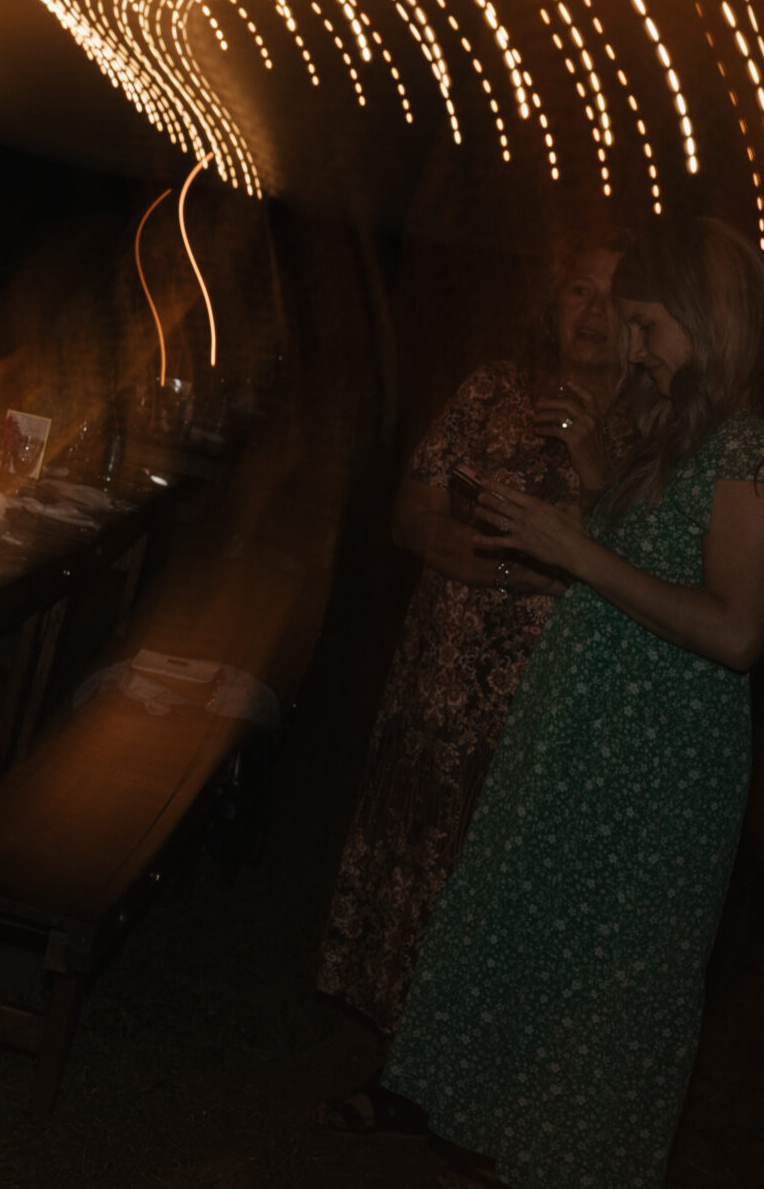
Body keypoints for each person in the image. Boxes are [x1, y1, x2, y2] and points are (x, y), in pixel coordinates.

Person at [377, 217, 764, 1189]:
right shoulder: (692, 430)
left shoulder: (757, 444)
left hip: (652, 769)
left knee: (598, 1005)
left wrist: (575, 548)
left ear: (706, 319)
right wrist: (573, 500)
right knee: (542, 978)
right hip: (588, 742)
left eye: (646, 328)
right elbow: (642, 558)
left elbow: (737, 630)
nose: (637, 354)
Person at [314, 232, 629, 1067]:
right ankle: (399, 1071)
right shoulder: (493, 388)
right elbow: (406, 514)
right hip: (440, 680)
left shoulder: (649, 430)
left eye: (612, 294)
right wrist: (518, 563)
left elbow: (635, 570)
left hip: (547, 703)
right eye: (576, 289)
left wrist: (578, 513)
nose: (591, 311)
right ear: (550, 302)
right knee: (417, 865)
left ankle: (473, 1085)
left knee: (504, 889)